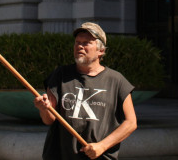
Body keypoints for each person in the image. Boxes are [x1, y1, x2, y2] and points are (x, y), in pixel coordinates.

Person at [34, 22, 138, 159]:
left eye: (86, 43)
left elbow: (131, 123)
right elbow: (49, 120)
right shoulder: (60, 75)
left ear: (101, 50)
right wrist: (44, 109)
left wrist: (102, 146)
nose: (80, 46)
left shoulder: (116, 80)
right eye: (77, 42)